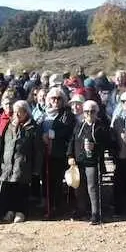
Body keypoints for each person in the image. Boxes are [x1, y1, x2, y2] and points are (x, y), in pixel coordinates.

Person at [0, 101, 43, 223]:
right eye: (15, 111)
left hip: (23, 163)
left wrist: (36, 168)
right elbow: (3, 145)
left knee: (21, 189)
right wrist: (0, 163)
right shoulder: (9, 126)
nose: (17, 114)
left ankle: (21, 212)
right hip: (8, 163)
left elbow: (38, 150)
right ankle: (10, 211)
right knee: (8, 188)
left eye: (21, 111)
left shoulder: (33, 127)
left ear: (26, 112)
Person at [67, 100, 109, 224]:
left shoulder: (101, 126)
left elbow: (107, 144)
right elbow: (72, 140)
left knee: (92, 187)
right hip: (79, 161)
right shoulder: (79, 125)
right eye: (86, 111)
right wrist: (70, 155)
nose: (89, 114)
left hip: (93, 161)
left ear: (96, 112)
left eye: (92, 111)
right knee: (79, 187)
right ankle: (81, 210)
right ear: (83, 113)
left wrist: (95, 146)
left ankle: (95, 213)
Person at [40, 88, 76, 218]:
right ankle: (47, 206)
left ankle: (56, 207)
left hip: (59, 152)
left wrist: (51, 135)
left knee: (56, 181)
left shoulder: (67, 114)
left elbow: (68, 131)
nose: (55, 101)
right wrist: (41, 136)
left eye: (58, 98)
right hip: (44, 152)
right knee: (46, 180)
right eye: (53, 98)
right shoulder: (44, 114)